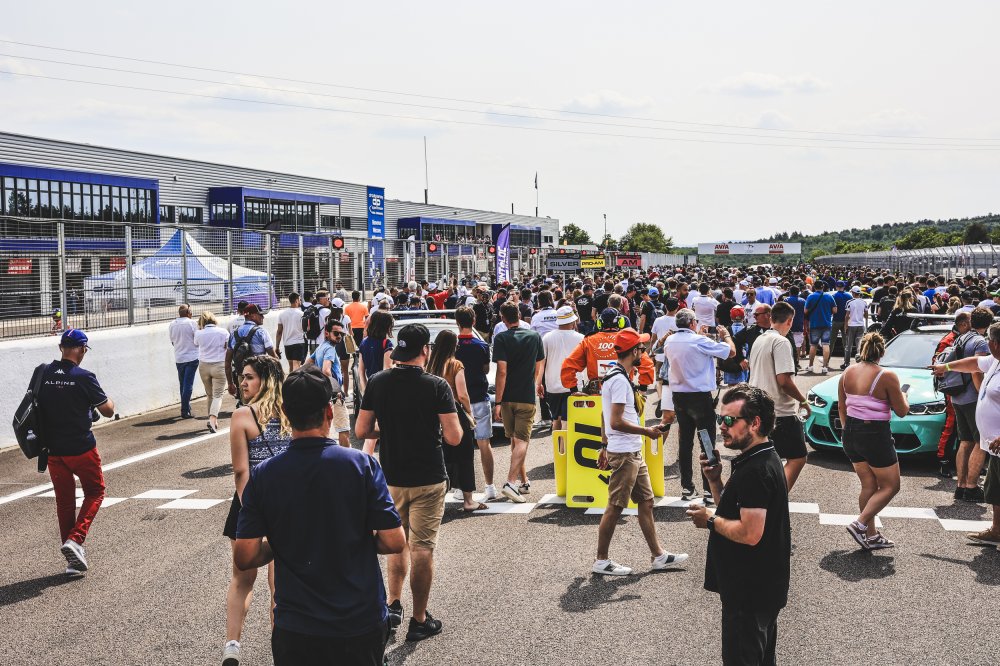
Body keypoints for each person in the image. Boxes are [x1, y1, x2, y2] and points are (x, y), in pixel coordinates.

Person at [233, 365, 405, 665]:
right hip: (359, 619)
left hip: (296, 625)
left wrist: (278, 544)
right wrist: (356, 539)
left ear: (285, 412)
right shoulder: (362, 466)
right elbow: (394, 541)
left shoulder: (264, 475)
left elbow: (245, 555)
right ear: (328, 411)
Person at [354, 324, 463, 642]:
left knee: (396, 542)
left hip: (391, 477)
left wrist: (388, 430)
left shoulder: (378, 381)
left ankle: (392, 604)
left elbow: (362, 430)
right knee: (422, 549)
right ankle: (419, 619)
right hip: (429, 477)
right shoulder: (437, 386)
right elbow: (454, 437)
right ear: (425, 350)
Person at [686, 385, 790, 666]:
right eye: (720, 419)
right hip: (761, 589)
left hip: (749, 594)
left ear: (754, 423)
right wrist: (715, 481)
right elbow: (735, 513)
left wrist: (709, 519)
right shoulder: (762, 457)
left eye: (730, 420)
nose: (722, 426)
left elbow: (750, 533)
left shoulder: (756, 471)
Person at [593, 328, 688, 576]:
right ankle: (601, 560)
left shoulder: (616, 375)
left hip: (630, 451)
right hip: (625, 453)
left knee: (646, 502)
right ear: (633, 351)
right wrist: (647, 432)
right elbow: (615, 421)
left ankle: (658, 555)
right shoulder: (619, 380)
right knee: (615, 506)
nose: (644, 352)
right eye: (641, 348)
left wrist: (604, 445)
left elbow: (605, 414)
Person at [222, 354, 292, 665]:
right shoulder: (291, 412)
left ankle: (232, 646)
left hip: (249, 504)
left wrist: (252, 510)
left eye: (249, 377)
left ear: (267, 380)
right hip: (286, 506)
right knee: (281, 585)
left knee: (242, 579)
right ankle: (281, 651)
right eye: (242, 377)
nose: (242, 383)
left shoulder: (242, 416)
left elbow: (241, 471)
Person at [36, 329, 115, 575]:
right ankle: (76, 540)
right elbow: (108, 410)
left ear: (61, 348)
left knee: (65, 502)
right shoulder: (84, 377)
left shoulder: (42, 372)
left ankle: (72, 560)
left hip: (52, 450)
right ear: (82, 349)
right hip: (81, 448)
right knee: (95, 492)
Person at [838, 332, 909, 550]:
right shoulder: (886, 376)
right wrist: (904, 395)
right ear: (882, 352)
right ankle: (860, 524)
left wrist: (848, 430)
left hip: (850, 432)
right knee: (891, 486)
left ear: (862, 349)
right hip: (874, 434)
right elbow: (902, 410)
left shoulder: (847, 372)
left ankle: (871, 535)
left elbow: (842, 406)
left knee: (868, 485)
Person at [664, 308, 736, 504]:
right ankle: (709, 489)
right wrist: (726, 335)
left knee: (685, 442)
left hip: (679, 396)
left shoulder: (670, 341)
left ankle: (687, 487)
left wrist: (700, 335)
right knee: (706, 441)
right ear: (692, 323)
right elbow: (731, 352)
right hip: (700, 398)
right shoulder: (699, 341)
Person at [748, 302, 810, 491]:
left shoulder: (760, 339)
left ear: (771, 318)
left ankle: (764, 495)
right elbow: (784, 381)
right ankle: (778, 496)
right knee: (798, 457)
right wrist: (803, 401)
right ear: (790, 321)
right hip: (780, 411)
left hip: (757, 407)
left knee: (764, 457)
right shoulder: (781, 342)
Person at [428, 329, 487, 513]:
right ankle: (468, 500)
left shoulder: (429, 365)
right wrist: (469, 412)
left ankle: (437, 499)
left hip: (433, 414)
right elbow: (462, 394)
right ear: (453, 346)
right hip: (454, 413)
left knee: (441, 457)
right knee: (464, 455)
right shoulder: (455, 365)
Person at [492, 302, 545, 502]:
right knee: (521, 441)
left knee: (514, 440)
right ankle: (512, 482)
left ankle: (521, 481)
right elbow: (539, 366)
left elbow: (501, 372)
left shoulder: (501, 338)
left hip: (507, 397)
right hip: (526, 396)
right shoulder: (534, 337)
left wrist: (498, 402)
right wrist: (536, 384)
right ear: (519, 316)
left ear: (503, 318)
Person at [945, 307, 992, 502]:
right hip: (973, 397)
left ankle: (961, 485)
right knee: (981, 442)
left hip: (958, 395)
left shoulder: (961, 338)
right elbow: (976, 370)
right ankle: (972, 487)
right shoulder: (980, 341)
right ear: (988, 324)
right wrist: (983, 393)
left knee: (965, 441)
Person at [454, 306, 497, 500]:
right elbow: (486, 370)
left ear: (457, 322)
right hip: (479, 396)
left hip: (458, 400)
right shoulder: (481, 345)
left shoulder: (453, 346)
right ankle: (490, 486)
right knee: (484, 442)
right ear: (474, 321)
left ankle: (460, 487)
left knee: (460, 445)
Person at [303, 319, 352, 448]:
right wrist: (336, 390)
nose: (339, 336)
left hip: (322, 393)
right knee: (344, 429)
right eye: (336, 333)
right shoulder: (329, 349)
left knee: (323, 429)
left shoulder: (321, 347)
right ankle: (346, 457)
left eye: (341, 334)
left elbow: (306, 365)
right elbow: (326, 370)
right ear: (326, 333)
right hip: (334, 394)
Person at [540, 306, 584, 432]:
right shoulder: (581, 338)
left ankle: (558, 444)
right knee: (569, 420)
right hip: (574, 384)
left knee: (556, 419)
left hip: (552, 384)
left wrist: (538, 383)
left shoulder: (547, 337)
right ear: (572, 321)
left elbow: (541, 363)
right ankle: (566, 444)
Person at [358, 310, 395, 455]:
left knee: (371, 433)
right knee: (386, 429)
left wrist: (365, 390)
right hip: (385, 391)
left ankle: (365, 460)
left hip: (370, 388)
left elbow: (361, 371)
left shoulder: (364, 342)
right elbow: (387, 369)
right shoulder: (386, 343)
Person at [225, 304, 278, 399]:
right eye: (260, 314)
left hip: (242, 376)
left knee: (246, 403)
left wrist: (230, 383)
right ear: (252, 316)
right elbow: (273, 356)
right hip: (259, 376)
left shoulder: (234, 334)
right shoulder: (261, 332)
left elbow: (227, 361)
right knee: (262, 402)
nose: (263, 317)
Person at [194, 311, 230, 433]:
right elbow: (228, 347)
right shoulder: (223, 332)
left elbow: (196, 344)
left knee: (209, 394)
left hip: (204, 366)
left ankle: (211, 420)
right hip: (219, 365)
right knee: (218, 395)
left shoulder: (199, 333)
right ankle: (212, 419)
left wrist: (200, 329)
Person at [168, 304, 199, 419]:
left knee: (182, 384)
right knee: (188, 385)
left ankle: (186, 408)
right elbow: (197, 340)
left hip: (179, 358)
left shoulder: (172, 324)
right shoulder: (192, 323)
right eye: (191, 312)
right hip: (192, 357)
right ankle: (185, 410)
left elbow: (172, 341)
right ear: (188, 313)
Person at [804, 282, 837, 375]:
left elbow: (805, 310)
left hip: (814, 324)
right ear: (823, 287)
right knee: (826, 344)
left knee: (813, 345)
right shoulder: (829, 296)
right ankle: (825, 367)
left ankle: (810, 366)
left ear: (814, 287)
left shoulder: (810, 296)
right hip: (826, 323)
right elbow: (835, 310)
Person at [275, 292, 307, 372]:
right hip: (299, 343)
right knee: (297, 366)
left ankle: (291, 379)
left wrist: (277, 347)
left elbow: (279, 332)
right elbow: (306, 329)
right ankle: (296, 380)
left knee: (291, 367)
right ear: (296, 300)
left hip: (287, 344)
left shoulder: (282, 314)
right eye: (299, 300)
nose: (300, 301)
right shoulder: (302, 314)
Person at [842, 286, 869, 369]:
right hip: (860, 325)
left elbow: (847, 316)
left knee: (848, 345)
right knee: (859, 345)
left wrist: (845, 326)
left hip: (851, 325)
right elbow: (866, 315)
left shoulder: (849, 302)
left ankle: (846, 363)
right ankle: (860, 362)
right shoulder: (864, 302)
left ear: (853, 293)